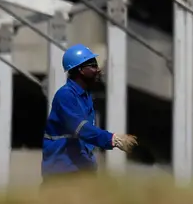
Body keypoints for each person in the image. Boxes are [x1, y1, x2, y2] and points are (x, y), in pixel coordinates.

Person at [41, 44, 138, 180]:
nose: (98, 70)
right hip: (62, 174)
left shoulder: (84, 96)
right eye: (93, 66)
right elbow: (80, 128)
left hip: (80, 171)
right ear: (80, 70)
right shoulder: (65, 95)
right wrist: (112, 139)